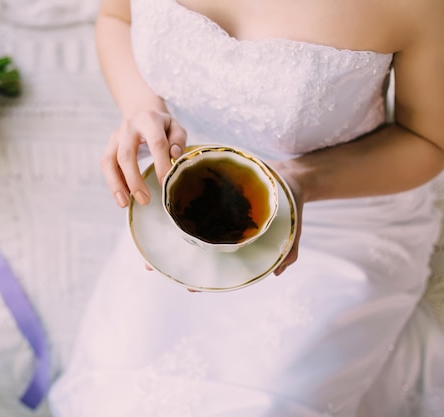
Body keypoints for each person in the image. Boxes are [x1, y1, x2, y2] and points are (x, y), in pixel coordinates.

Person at [48, 0, 444, 415]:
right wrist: (142, 110)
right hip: (181, 191)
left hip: (338, 209)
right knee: (119, 393)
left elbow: (427, 141)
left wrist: (303, 181)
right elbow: (117, 17)